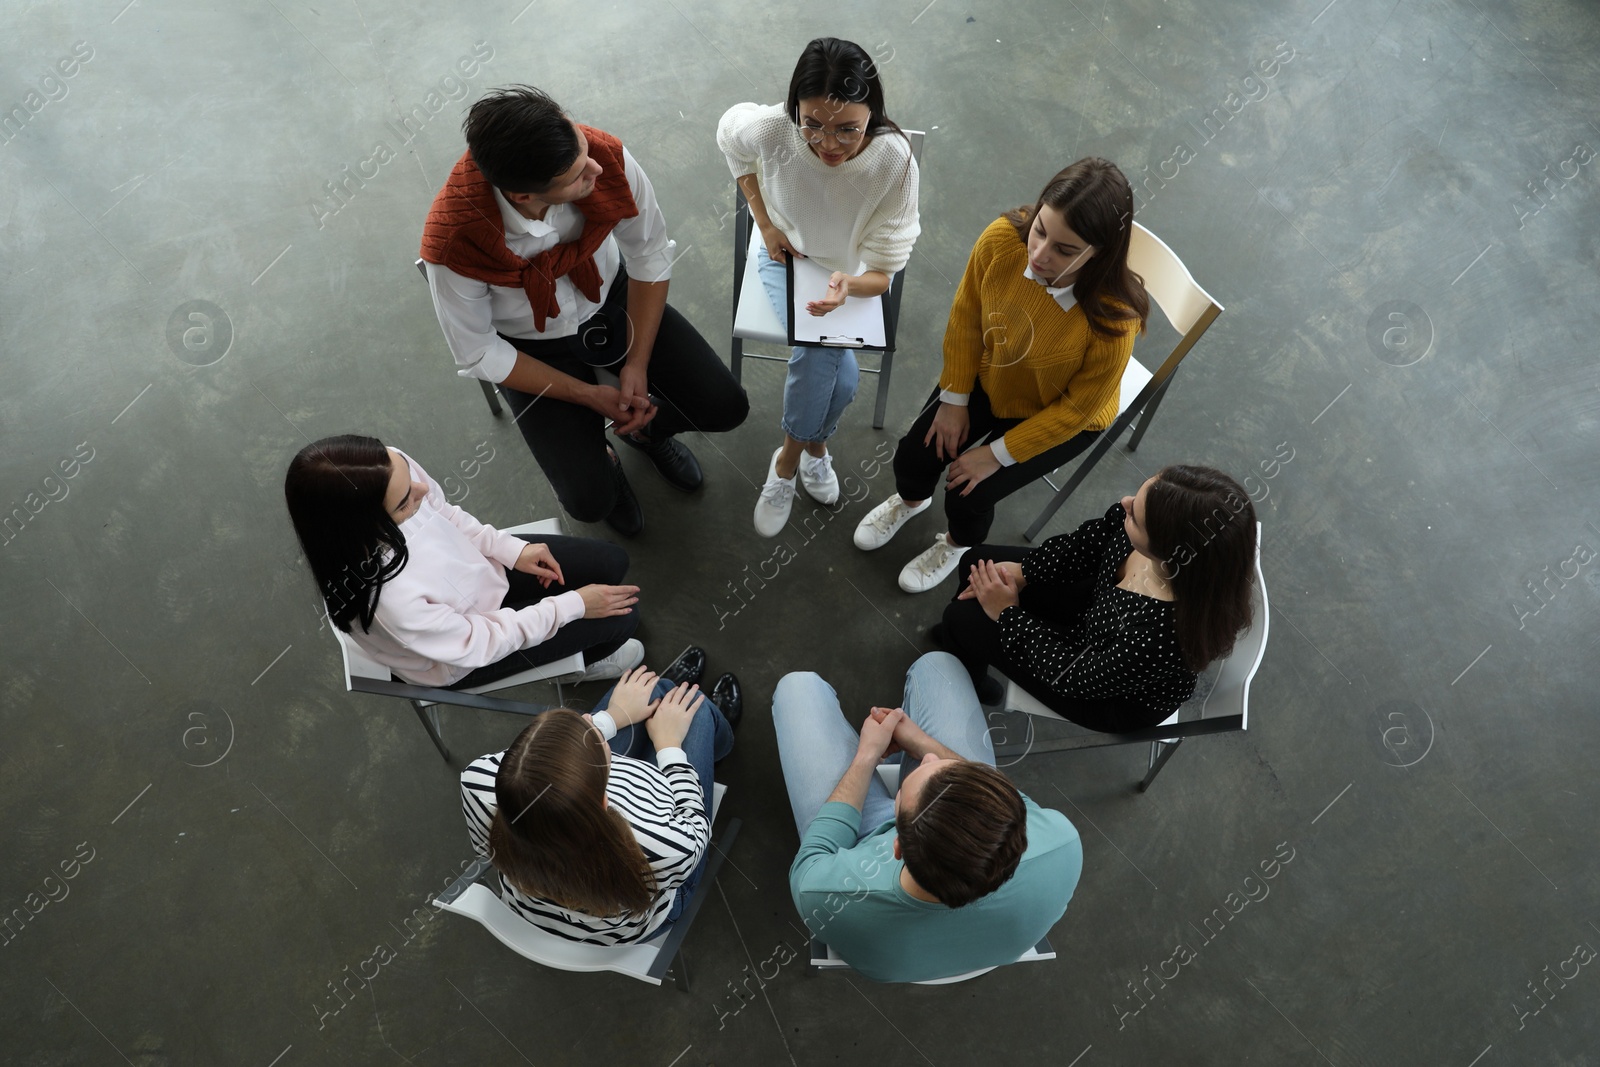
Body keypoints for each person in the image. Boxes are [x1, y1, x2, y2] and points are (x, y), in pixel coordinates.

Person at [421, 86, 749, 538]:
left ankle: (645, 433)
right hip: (532, 345)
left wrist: (636, 362)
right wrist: (586, 395)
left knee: (725, 407)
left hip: (612, 300)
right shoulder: (454, 238)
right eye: (576, 176)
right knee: (589, 502)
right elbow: (478, 351)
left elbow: (649, 253)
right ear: (522, 196)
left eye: (584, 149)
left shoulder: (601, 155)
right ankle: (606, 459)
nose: (596, 167)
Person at [853, 158, 1148, 592]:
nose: (1040, 254)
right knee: (916, 455)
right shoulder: (1003, 239)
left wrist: (996, 454)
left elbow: (1076, 411)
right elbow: (967, 316)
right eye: (1041, 230)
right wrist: (954, 399)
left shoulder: (1114, 322)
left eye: (1065, 250)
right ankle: (912, 502)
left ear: (1100, 254)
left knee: (969, 494)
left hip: (1060, 414)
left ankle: (955, 544)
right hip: (994, 374)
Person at [773, 652, 1082, 983]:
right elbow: (1005, 797)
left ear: (896, 847)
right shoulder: (1061, 843)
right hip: (975, 941)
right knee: (938, 664)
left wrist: (867, 756)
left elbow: (816, 854)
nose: (929, 757)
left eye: (906, 787)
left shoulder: (830, 896)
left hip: (864, 857)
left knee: (797, 687)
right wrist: (921, 743)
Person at [717, 37, 921, 536]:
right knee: (830, 363)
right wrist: (763, 221)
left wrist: (848, 285)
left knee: (826, 361)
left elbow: (884, 273)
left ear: (873, 113)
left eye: (848, 130)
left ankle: (790, 458)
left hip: (848, 275)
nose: (828, 144)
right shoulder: (772, 129)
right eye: (812, 124)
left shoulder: (895, 163)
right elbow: (729, 138)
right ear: (794, 110)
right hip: (784, 258)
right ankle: (810, 452)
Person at [284, 434, 642, 688]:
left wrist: (509, 549)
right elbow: (480, 642)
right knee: (624, 620)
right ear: (364, 527)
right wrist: (572, 605)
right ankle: (577, 667)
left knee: (612, 562)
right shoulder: (389, 606)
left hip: (482, 577)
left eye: (410, 477)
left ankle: (572, 646)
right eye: (405, 502)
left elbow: (445, 512)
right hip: (462, 657)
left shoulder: (388, 468)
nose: (422, 491)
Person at [937, 466, 1258, 729]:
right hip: (1098, 611)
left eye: (1136, 517)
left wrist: (1007, 613)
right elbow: (1085, 546)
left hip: (1102, 693)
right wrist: (1025, 571)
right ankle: (964, 645)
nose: (1125, 502)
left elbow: (1074, 677)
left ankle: (966, 667)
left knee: (961, 618)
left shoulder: (1162, 638)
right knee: (976, 562)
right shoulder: (1164, 532)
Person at [461, 663, 741, 943]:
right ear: (606, 798)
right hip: (641, 917)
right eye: (597, 743)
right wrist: (669, 745)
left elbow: (540, 769)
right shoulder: (664, 845)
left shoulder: (478, 782)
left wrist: (611, 718)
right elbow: (695, 822)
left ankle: (665, 696)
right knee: (695, 709)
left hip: (535, 908)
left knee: (651, 691)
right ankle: (716, 732)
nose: (591, 726)